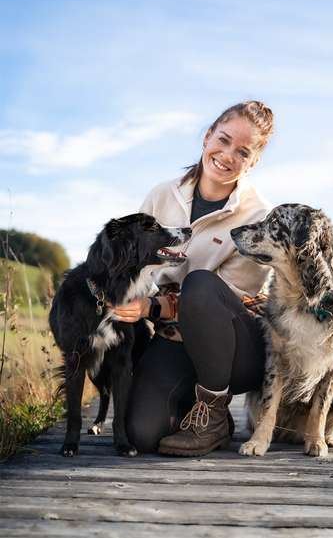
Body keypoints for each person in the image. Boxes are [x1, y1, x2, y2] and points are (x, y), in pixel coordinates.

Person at [109, 100, 274, 456]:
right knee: (141, 435)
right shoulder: (161, 195)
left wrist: (151, 306)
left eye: (243, 151)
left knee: (200, 284)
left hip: (235, 352)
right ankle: (191, 410)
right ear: (207, 136)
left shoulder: (258, 218)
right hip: (174, 338)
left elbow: (235, 298)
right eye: (224, 139)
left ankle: (213, 414)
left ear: (254, 161)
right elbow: (133, 263)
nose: (228, 155)